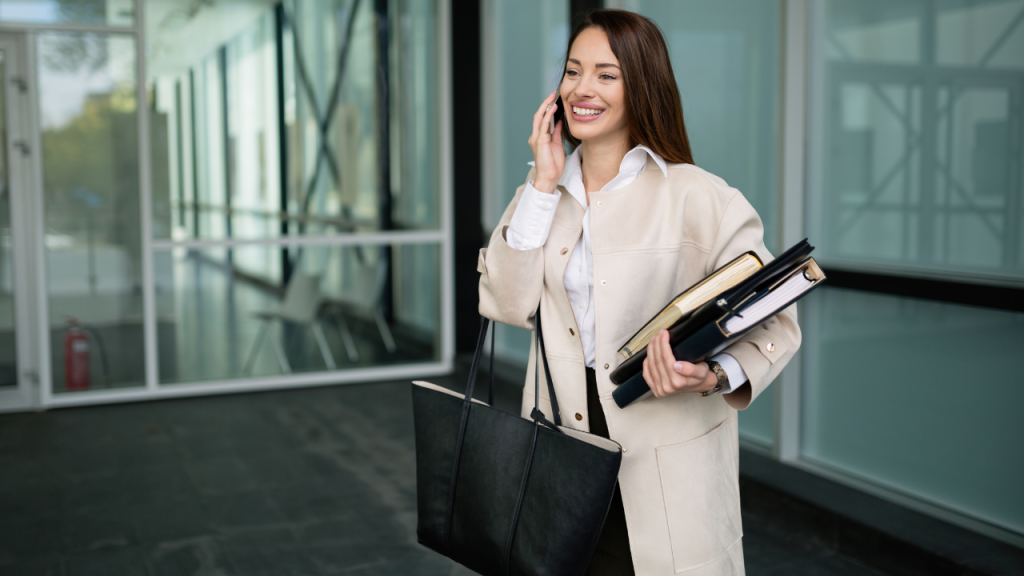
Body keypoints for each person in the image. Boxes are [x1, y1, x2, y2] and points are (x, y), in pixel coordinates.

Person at [477, 9, 800, 576]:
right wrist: (543, 182)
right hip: (558, 447)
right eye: (573, 70)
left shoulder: (701, 197)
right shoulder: (542, 193)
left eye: (606, 75)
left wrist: (713, 374)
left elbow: (776, 319)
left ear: (642, 87)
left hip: (668, 468)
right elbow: (505, 302)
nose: (582, 88)